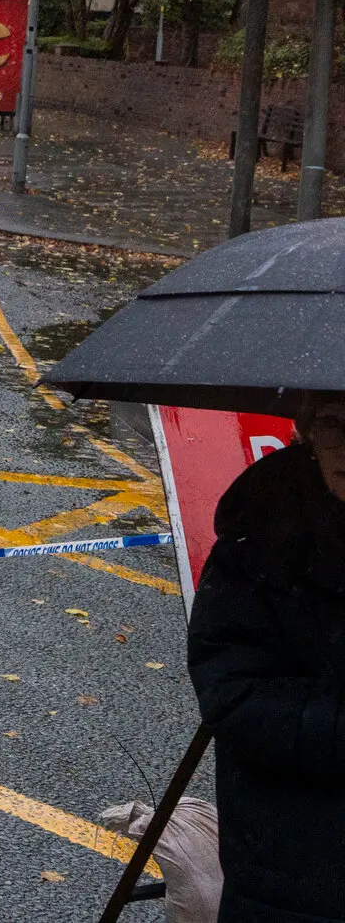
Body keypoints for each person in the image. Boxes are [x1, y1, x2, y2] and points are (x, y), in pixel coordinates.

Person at [188, 391, 345, 923]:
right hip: (295, 860)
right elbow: (232, 693)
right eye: (332, 424)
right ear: (304, 430)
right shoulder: (261, 536)